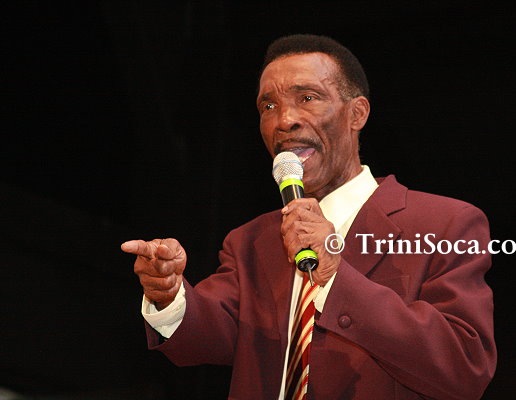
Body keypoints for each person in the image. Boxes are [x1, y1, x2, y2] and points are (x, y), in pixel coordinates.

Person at [122, 34, 496, 399]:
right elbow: (210, 335)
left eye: (307, 98)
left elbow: (464, 369)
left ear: (357, 113)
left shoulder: (444, 224)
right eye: (268, 106)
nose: (284, 120)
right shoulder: (250, 240)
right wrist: (168, 294)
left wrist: (336, 276)